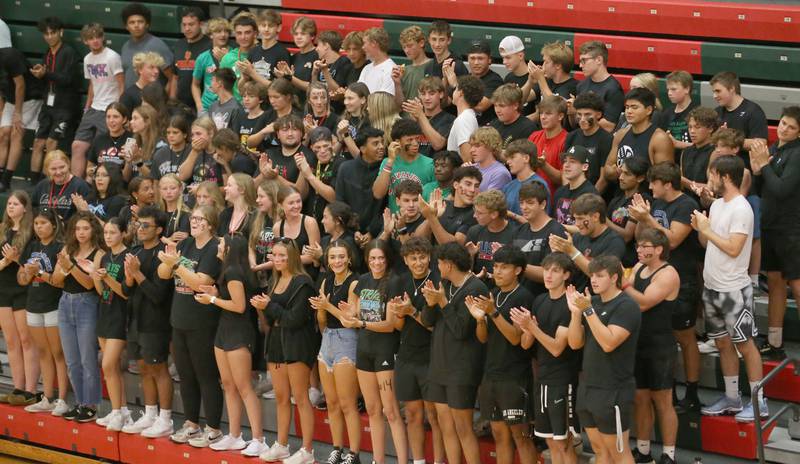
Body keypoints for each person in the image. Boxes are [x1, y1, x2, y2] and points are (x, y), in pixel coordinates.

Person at [692, 155, 767, 422]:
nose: (708, 179)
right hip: (712, 286)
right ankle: (733, 398)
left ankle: (760, 402)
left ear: (724, 177)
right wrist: (701, 228)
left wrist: (707, 231)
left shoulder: (741, 208)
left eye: (711, 174)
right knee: (723, 343)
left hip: (734, 289)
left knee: (746, 345)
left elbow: (734, 249)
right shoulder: (717, 206)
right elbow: (708, 243)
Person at [628, 161, 703, 412]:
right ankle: (666, 389)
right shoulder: (656, 203)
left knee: (685, 336)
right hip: (654, 276)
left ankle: (692, 391)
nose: (650, 187)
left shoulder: (686, 205)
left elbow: (673, 240)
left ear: (668, 184)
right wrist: (640, 219)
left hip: (683, 278)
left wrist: (648, 217)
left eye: (654, 183)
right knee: (665, 336)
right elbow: (642, 238)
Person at [189, 236, 265, 455]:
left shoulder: (233, 271)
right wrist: (216, 293)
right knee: (228, 385)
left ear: (230, 249)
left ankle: (259, 438)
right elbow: (231, 298)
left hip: (239, 332)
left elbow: (240, 306)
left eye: (221, 244)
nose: (218, 246)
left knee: (244, 387)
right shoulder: (228, 269)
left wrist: (212, 300)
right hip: (225, 330)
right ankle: (234, 436)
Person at [334, 240, 407, 464]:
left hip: (386, 350)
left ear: (387, 259)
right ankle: (378, 460)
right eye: (373, 258)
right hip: (364, 349)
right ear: (367, 260)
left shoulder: (395, 282)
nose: (377, 262)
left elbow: (392, 325)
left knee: (391, 411)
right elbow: (352, 315)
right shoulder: (362, 282)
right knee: (373, 410)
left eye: (381, 258)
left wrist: (360, 323)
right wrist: (347, 314)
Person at [157, 205, 223, 447]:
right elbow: (163, 274)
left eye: (199, 219)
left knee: (206, 376)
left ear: (211, 223)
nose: (194, 222)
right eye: (192, 218)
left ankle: (214, 429)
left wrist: (176, 265)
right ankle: (191, 424)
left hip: (202, 321)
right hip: (179, 318)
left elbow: (200, 283)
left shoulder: (214, 247)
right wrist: (170, 259)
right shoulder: (185, 244)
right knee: (186, 376)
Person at [467, 246, 538, 464]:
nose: (497, 272)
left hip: (514, 377)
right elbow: (483, 338)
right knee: (499, 435)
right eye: (496, 266)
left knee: (522, 437)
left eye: (504, 267)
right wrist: (480, 319)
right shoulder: (493, 295)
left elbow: (516, 338)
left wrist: (493, 313)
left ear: (517, 270)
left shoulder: (523, 296)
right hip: (491, 374)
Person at [567, 256, 640, 464]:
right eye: (592, 275)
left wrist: (588, 311)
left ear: (614, 277)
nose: (594, 280)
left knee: (619, 453)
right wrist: (575, 313)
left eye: (600, 276)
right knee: (600, 452)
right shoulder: (594, 303)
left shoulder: (627, 306)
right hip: (588, 387)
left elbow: (609, 343)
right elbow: (574, 344)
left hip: (613, 390)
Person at [420, 242, 488, 464]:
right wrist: (431, 303)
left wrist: (443, 302)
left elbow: (461, 330)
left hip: (462, 369)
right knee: (445, 425)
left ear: (448, 265)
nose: (437, 266)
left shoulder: (476, 288)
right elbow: (427, 322)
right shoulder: (444, 285)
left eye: (438, 263)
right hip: (439, 364)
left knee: (462, 427)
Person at [251, 238, 318, 464]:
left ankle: (307, 451)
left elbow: (294, 319)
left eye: (283, 255)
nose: (278, 260)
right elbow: (270, 319)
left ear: (293, 257)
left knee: (300, 397)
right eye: (275, 255)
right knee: (281, 397)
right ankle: (281, 445)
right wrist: (261, 307)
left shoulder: (303, 282)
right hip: (277, 341)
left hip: (298, 343)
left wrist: (268, 305)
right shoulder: (275, 280)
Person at [511, 253, 580, 464]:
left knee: (563, 443)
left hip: (562, 379)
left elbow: (557, 348)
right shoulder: (539, 300)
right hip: (541, 378)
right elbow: (525, 344)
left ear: (566, 275)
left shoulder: (569, 304)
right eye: (546, 269)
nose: (548, 275)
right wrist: (526, 328)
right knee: (550, 441)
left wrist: (532, 327)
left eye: (555, 270)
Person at [623, 228, 680, 464]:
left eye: (645, 246)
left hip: (660, 346)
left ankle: (669, 454)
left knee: (663, 401)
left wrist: (624, 286)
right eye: (637, 245)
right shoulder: (639, 268)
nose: (639, 250)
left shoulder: (668, 274)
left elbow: (644, 302)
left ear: (658, 249)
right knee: (640, 399)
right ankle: (644, 450)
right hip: (639, 343)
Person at [386, 237, 445, 464]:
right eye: (413, 258)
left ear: (429, 257)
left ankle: (439, 461)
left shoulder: (438, 282)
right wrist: (401, 313)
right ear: (406, 260)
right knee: (412, 414)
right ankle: (418, 461)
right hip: (407, 354)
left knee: (435, 416)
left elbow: (433, 325)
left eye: (422, 257)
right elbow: (397, 326)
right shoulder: (397, 283)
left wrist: (410, 310)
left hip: (432, 355)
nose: (419, 262)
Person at [751, 106, 800, 360]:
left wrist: (764, 167)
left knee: (798, 286)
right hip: (771, 226)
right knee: (774, 283)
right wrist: (758, 171)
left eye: (791, 127)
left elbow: (782, 190)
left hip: (792, 230)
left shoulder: (797, 154)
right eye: (782, 123)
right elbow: (763, 190)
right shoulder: (773, 150)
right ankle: (775, 342)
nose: (784, 129)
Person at [120, 206, 174, 437]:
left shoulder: (164, 255)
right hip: (136, 318)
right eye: (138, 224)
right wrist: (130, 277)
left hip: (157, 322)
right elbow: (125, 289)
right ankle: (150, 414)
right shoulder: (136, 251)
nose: (140, 229)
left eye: (145, 225)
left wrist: (138, 274)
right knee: (143, 367)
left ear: (159, 229)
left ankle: (166, 419)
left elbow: (158, 295)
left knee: (158, 368)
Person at [309, 241, 363, 464]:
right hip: (328, 338)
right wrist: (321, 309)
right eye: (332, 257)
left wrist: (327, 306)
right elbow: (322, 319)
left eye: (341, 256)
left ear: (349, 258)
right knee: (331, 401)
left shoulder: (354, 282)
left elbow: (349, 321)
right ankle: (337, 448)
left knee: (347, 402)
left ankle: (354, 453)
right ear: (327, 260)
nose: (337, 261)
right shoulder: (325, 280)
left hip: (347, 339)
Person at [50, 211, 104, 422]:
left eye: (85, 228)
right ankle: (80, 402)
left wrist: (70, 267)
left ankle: (90, 405)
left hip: (86, 303)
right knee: (72, 360)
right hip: (65, 302)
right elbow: (56, 280)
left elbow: (90, 283)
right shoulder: (67, 249)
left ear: (93, 230)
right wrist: (63, 269)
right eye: (77, 229)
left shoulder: (98, 254)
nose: (81, 232)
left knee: (87, 359)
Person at [18, 208, 69, 415]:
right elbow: (21, 280)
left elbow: (59, 282)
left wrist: (39, 271)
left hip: (54, 305)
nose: (39, 227)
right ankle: (47, 397)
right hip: (33, 304)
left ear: (54, 225)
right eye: (36, 224)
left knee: (58, 353)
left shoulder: (60, 248)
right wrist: (28, 274)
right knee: (43, 353)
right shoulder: (31, 246)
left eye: (44, 223)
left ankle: (63, 399)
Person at [88, 218, 131, 431]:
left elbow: (125, 292)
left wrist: (107, 279)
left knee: (107, 364)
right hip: (104, 312)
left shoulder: (128, 257)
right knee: (111, 368)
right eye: (106, 232)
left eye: (113, 232)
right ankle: (122, 412)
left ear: (123, 233)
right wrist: (95, 276)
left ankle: (116, 412)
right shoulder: (105, 257)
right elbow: (100, 290)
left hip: (120, 316)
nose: (108, 236)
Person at [71, 23, 125, 179]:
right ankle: (76, 187)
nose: (95, 40)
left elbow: (122, 84)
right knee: (77, 146)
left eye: (98, 37)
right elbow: (92, 85)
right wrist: (86, 109)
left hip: (109, 109)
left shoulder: (112, 56)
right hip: (93, 108)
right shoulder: (88, 59)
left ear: (103, 38)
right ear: (85, 41)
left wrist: (119, 109)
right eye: (90, 38)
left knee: (103, 150)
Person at [29, 17, 79, 184]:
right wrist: (39, 73)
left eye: (53, 33)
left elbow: (68, 79)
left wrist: (46, 74)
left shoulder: (69, 52)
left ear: (61, 32)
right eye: (46, 33)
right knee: (37, 143)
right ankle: (34, 182)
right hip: (48, 105)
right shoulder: (47, 54)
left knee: (51, 143)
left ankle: (47, 183)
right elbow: (47, 78)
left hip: (65, 107)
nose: (49, 36)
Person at [0, 192, 36, 406]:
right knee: (11, 341)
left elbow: (32, 266)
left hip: (23, 288)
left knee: (26, 340)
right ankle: (17, 387)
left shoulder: (31, 232)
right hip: (3, 289)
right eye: (9, 203)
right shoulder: (2, 230)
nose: (11, 206)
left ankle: (30, 390)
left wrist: (16, 260)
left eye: (16, 204)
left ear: (25, 208)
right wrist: (6, 261)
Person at [549, 193, 626, 292]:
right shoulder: (578, 237)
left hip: (597, 301)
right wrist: (556, 253)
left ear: (595, 216)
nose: (577, 224)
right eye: (575, 219)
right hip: (573, 295)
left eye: (581, 219)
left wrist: (572, 252)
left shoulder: (614, 242)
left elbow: (599, 276)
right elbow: (566, 272)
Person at [0, 46, 44, 192]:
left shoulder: (9, 56)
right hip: (10, 100)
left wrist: (17, 113)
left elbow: (20, 85)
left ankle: (6, 180)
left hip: (30, 98)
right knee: (3, 133)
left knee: (16, 132)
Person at [513, 182, 567, 296]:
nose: (524, 207)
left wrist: (515, 264)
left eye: (530, 203)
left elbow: (552, 274)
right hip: (520, 298)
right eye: (521, 202)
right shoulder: (520, 230)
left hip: (543, 298)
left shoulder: (556, 232)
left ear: (543, 204)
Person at [335, 127, 386, 242]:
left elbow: (385, 206)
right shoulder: (345, 168)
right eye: (375, 144)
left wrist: (372, 232)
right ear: (362, 148)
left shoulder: (386, 170)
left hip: (379, 232)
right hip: (349, 233)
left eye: (382, 142)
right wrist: (354, 230)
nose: (381, 147)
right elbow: (340, 202)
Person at [373, 119, 434, 213]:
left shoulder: (430, 164)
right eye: (410, 140)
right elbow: (378, 194)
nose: (415, 143)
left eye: (417, 138)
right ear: (397, 142)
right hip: (395, 222)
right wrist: (390, 161)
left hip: (419, 221)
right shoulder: (388, 162)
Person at [710, 71, 768, 167]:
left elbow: (760, 143)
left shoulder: (753, 111)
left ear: (732, 88)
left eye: (718, 91)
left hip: (745, 168)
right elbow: (711, 143)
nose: (714, 96)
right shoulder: (717, 112)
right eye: (713, 92)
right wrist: (718, 138)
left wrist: (729, 140)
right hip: (720, 168)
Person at [417, 165, 481, 245]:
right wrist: (431, 217)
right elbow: (418, 239)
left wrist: (432, 217)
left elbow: (454, 246)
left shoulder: (476, 214)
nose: (472, 190)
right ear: (456, 185)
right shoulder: (442, 204)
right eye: (468, 184)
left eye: (476, 186)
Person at [605, 157, 650, 267]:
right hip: (611, 256)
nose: (620, 177)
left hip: (629, 261)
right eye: (621, 173)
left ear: (640, 178)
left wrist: (603, 220)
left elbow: (627, 236)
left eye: (627, 174)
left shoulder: (641, 200)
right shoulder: (616, 199)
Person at [120, 3, 173, 88]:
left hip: (152, 99)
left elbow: (172, 78)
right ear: (126, 26)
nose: (136, 25)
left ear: (147, 24)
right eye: (132, 22)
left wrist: (165, 98)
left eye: (140, 22)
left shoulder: (157, 45)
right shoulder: (125, 47)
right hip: (130, 98)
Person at [565, 92, 613, 189]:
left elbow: (603, 178)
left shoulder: (606, 139)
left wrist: (589, 198)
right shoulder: (571, 136)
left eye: (587, 115)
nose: (582, 119)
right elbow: (565, 169)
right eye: (579, 114)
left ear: (598, 115)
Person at [465, 189, 516, 279]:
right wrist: (471, 256)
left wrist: (489, 276)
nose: (474, 216)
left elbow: (517, 272)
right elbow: (465, 271)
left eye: (479, 213)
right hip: (477, 285)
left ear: (494, 214)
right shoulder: (474, 231)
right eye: (475, 211)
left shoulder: (515, 233)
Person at [574, 41, 624, 132]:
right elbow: (574, 123)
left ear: (599, 60)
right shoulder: (581, 85)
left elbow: (609, 125)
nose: (580, 65)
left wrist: (583, 120)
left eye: (584, 60)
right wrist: (571, 112)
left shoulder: (613, 89)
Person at [273, 186, 322, 277]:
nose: (296, 206)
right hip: (287, 275)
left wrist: (285, 259)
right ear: (281, 205)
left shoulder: (309, 222)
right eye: (291, 203)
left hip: (308, 274)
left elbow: (313, 257)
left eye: (298, 201)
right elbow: (278, 257)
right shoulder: (277, 227)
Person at [298, 127, 344, 222]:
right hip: (310, 220)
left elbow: (334, 198)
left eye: (325, 146)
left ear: (332, 144)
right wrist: (302, 171)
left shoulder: (341, 164)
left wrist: (310, 176)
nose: (322, 151)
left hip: (332, 223)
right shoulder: (311, 161)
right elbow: (301, 196)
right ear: (312, 147)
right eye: (318, 147)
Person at [238, 10, 290, 92]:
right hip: (254, 101)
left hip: (271, 102)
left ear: (279, 28)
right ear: (258, 27)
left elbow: (280, 89)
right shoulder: (253, 51)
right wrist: (244, 77)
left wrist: (252, 73)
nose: (266, 29)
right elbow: (241, 89)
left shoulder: (282, 53)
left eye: (271, 26)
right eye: (263, 25)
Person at [170, 7, 211, 110]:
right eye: (184, 25)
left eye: (191, 24)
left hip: (203, 105)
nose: (187, 28)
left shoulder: (210, 45)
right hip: (180, 106)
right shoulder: (179, 45)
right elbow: (175, 77)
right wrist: (172, 100)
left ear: (201, 24)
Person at [402, 77, 454, 158]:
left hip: (436, 166)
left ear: (441, 94)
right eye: (423, 94)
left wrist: (421, 116)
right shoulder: (414, 118)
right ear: (419, 95)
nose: (427, 98)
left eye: (431, 93)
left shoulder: (449, 119)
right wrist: (413, 124)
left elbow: (438, 144)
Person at [32, 150, 92, 221]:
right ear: (47, 170)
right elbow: (33, 209)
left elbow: (89, 216)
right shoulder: (42, 186)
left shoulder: (80, 186)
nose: (58, 172)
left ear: (68, 165)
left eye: (62, 167)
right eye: (53, 169)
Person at [458, 39, 503, 126]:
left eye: (480, 58)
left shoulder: (495, 80)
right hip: (465, 125)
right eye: (472, 58)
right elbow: (449, 101)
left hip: (485, 130)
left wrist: (455, 87)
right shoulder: (466, 78)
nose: (476, 63)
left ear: (489, 60)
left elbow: (480, 106)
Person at [191, 17, 232, 113]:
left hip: (228, 106)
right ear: (211, 35)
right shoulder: (203, 57)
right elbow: (195, 84)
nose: (223, 35)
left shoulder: (234, 54)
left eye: (226, 31)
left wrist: (226, 60)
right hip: (207, 107)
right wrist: (199, 105)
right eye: (218, 31)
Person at [680, 107, 719, 205]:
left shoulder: (715, 152)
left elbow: (712, 189)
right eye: (690, 127)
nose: (692, 131)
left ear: (710, 128)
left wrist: (683, 181)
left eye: (697, 127)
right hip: (686, 203)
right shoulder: (686, 152)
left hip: (705, 206)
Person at [529, 41, 579, 116]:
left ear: (558, 65)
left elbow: (555, 106)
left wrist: (540, 79)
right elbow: (522, 99)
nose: (543, 65)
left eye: (546, 62)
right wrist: (530, 81)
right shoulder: (547, 81)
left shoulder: (574, 86)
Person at [552, 146, 599, 226]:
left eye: (572, 161)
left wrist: (558, 227)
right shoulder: (559, 192)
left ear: (585, 167)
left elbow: (588, 227)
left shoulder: (590, 194)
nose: (566, 165)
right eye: (565, 161)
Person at [529, 96, 568, 191]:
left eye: (548, 113)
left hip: (552, 197)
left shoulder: (567, 140)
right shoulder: (534, 136)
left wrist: (544, 165)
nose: (543, 117)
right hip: (531, 194)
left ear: (560, 116)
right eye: (541, 113)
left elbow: (564, 179)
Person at [502, 139, 548, 217]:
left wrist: (512, 215)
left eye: (512, 157)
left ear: (526, 158)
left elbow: (542, 222)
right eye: (508, 158)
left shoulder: (540, 185)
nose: (508, 162)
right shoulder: (508, 186)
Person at [219, 13, 258, 104]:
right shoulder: (227, 59)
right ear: (235, 35)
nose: (243, 37)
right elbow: (221, 88)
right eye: (239, 33)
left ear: (255, 34)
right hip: (235, 108)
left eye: (247, 32)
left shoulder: (263, 55)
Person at [86, 103, 134, 176]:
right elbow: (89, 167)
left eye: (115, 117)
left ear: (124, 119)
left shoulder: (131, 139)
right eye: (108, 117)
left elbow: (127, 177)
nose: (111, 120)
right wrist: (93, 171)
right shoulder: (99, 139)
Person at [277, 17, 318, 100]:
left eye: (303, 34)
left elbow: (314, 87)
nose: (298, 37)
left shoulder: (317, 55)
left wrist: (290, 78)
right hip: (294, 105)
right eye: (296, 34)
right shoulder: (294, 57)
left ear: (312, 36)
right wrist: (282, 77)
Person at [660, 71, 699, 157]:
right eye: (668, 90)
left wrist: (679, 144)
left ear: (687, 89)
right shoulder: (667, 113)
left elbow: (705, 145)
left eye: (673, 89)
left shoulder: (698, 112)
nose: (669, 93)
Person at [178, 116, 222, 189]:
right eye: (192, 135)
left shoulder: (221, 152)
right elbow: (182, 176)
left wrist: (202, 189)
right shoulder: (193, 150)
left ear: (211, 133)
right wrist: (194, 152)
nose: (194, 138)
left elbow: (226, 186)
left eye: (198, 134)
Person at [447, 75, 483, 163]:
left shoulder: (464, 119)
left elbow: (468, 159)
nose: (453, 92)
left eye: (456, 89)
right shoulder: (468, 116)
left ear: (461, 93)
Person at [391, 25, 429, 105]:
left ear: (421, 43)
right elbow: (399, 105)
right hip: (405, 116)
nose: (407, 50)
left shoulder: (432, 66)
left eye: (410, 46)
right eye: (404, 47)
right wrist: (397, 83)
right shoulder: (403, 71)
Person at [498, 35, 535, 114]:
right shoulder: (508, 78)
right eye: (503, 58)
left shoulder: (535, 76)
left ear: (520, 56)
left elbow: (518, 101)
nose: (504, 62)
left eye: (508, 57)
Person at [312, 31, 352, 98]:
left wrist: (325, 71)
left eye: (318, 45)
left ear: (326, 46)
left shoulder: (344, 62)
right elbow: (314, 90)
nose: (316, 49)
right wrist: (314, 74)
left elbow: (337, 92)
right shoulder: (321, 63)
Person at [469, 127, 511, 191]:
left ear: (490, 146)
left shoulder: (500, 173)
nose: (471, 150)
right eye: (471, 146)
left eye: (477, 146)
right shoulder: (471, 168)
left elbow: (489, 200)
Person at [151, 115, 191, 180]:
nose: (171, 136)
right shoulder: (160, 154)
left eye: (175, 132)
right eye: (168, 132)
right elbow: (155, 181)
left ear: (185, 134)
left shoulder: (192, 152)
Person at [336, 83, 371, 158]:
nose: (345, 102)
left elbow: (360, 157)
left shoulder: (369, 121)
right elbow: (333, 155)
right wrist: (340, 139)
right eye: (345, 98)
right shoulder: (342, 119)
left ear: (363, 100)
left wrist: (345, 134)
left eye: (350, 98)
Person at [218, 173, 256, 239]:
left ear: (242, 189)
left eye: (229, 185)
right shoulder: (225, 213)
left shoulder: (255, 215)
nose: (225, 188)